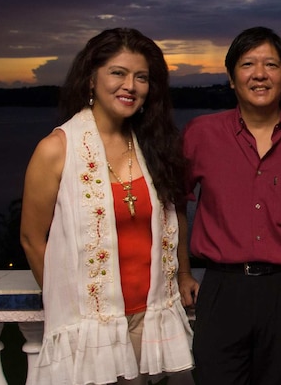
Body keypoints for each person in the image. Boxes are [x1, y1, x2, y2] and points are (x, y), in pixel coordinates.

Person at [19, 28, 194, 385]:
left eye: (141, 77)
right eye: (118, 73)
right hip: (94, 328)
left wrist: (184, 274)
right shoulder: (56, 149)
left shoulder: (154, 146)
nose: (130, 85)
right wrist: (73, 305)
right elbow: (32, 239)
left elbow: (176, 217)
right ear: (91, 78)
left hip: (154, 319)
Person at [180, 26, 281, 385]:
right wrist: (182, 272)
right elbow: (175, 205)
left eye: (271, 64)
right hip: (222, 287)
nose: (260, 74)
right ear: (232, 78)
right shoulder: (200, 134)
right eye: (248, 64)